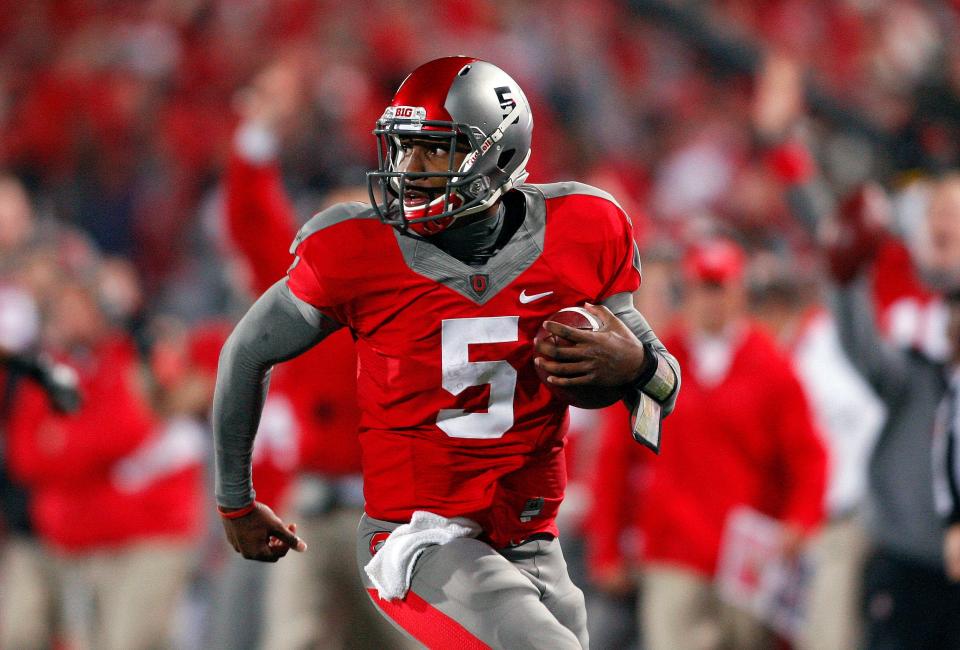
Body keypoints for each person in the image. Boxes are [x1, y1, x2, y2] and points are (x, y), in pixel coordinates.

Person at [212, 56, 680, 648]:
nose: (410, 170)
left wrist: (639, 369)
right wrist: (235, 501)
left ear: (497, 154)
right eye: (404, 149)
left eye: (435, 150)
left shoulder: (586, 227)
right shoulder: (357, 251)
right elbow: (245, 353)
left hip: (531, 537)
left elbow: (662, 376)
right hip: (418, 538)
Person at [590, 238, 827, 650]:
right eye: (703, 288)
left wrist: (800, 523)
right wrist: (607, 547)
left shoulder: (772, 366)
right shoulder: (650, 363)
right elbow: (615, 460)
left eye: (721, 288)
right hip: (673, 553)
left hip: (748, 560)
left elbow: (808, 456)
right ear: (688, 291)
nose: (711, 301)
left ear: (740, 293)